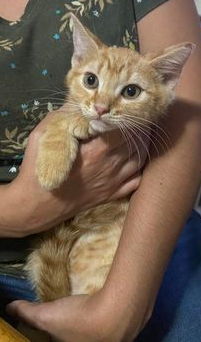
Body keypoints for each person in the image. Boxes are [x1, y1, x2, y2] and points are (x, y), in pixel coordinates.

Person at [0, 0, 200, 341]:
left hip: (139, 236)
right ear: (78, 62)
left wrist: (120, 308)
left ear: (166, 82)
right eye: (91, 80)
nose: (102, 106)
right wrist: (16, 211)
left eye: (130, 91)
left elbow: (190, 128)